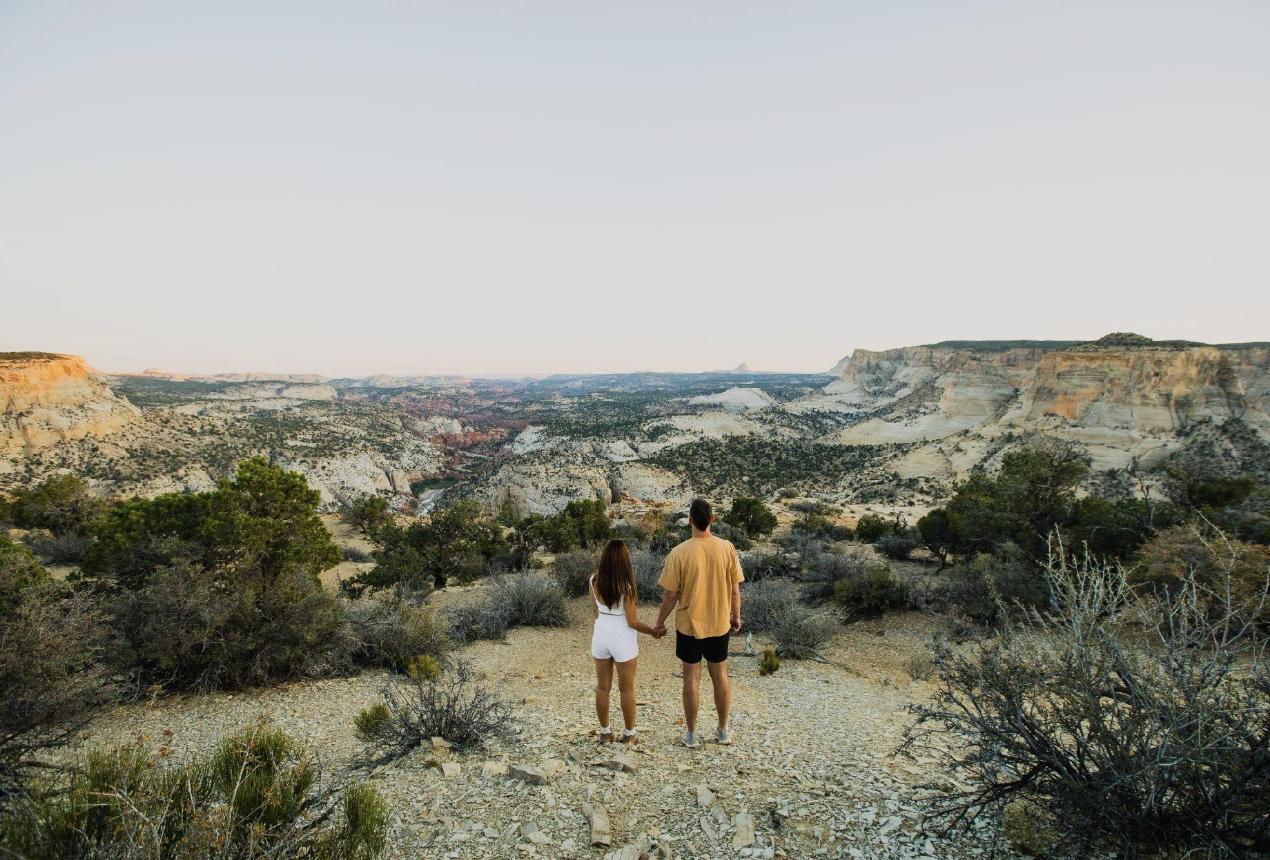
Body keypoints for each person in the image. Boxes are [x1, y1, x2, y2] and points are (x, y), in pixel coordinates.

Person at [653, 498, 744, 748]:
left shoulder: (679, 552)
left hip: (689, 626)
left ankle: (692, 734)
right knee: (720, 675)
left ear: (690, 521)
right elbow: (735, 590)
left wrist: (659, 622)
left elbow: (671, 596)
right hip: (718, 623)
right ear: (712, 519)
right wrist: (735, 616)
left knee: (691, 678)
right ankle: (723, 730)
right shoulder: (727, 548)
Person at [590, 539, 663, 744]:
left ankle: (605, 733)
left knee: (603, 687)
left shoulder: (594, 580)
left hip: (601, 634)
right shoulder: (627, 587)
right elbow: (632, 622)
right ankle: (629, 735)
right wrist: (653, 632)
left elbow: (596, 611)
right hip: (622, 637)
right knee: (626, 689)